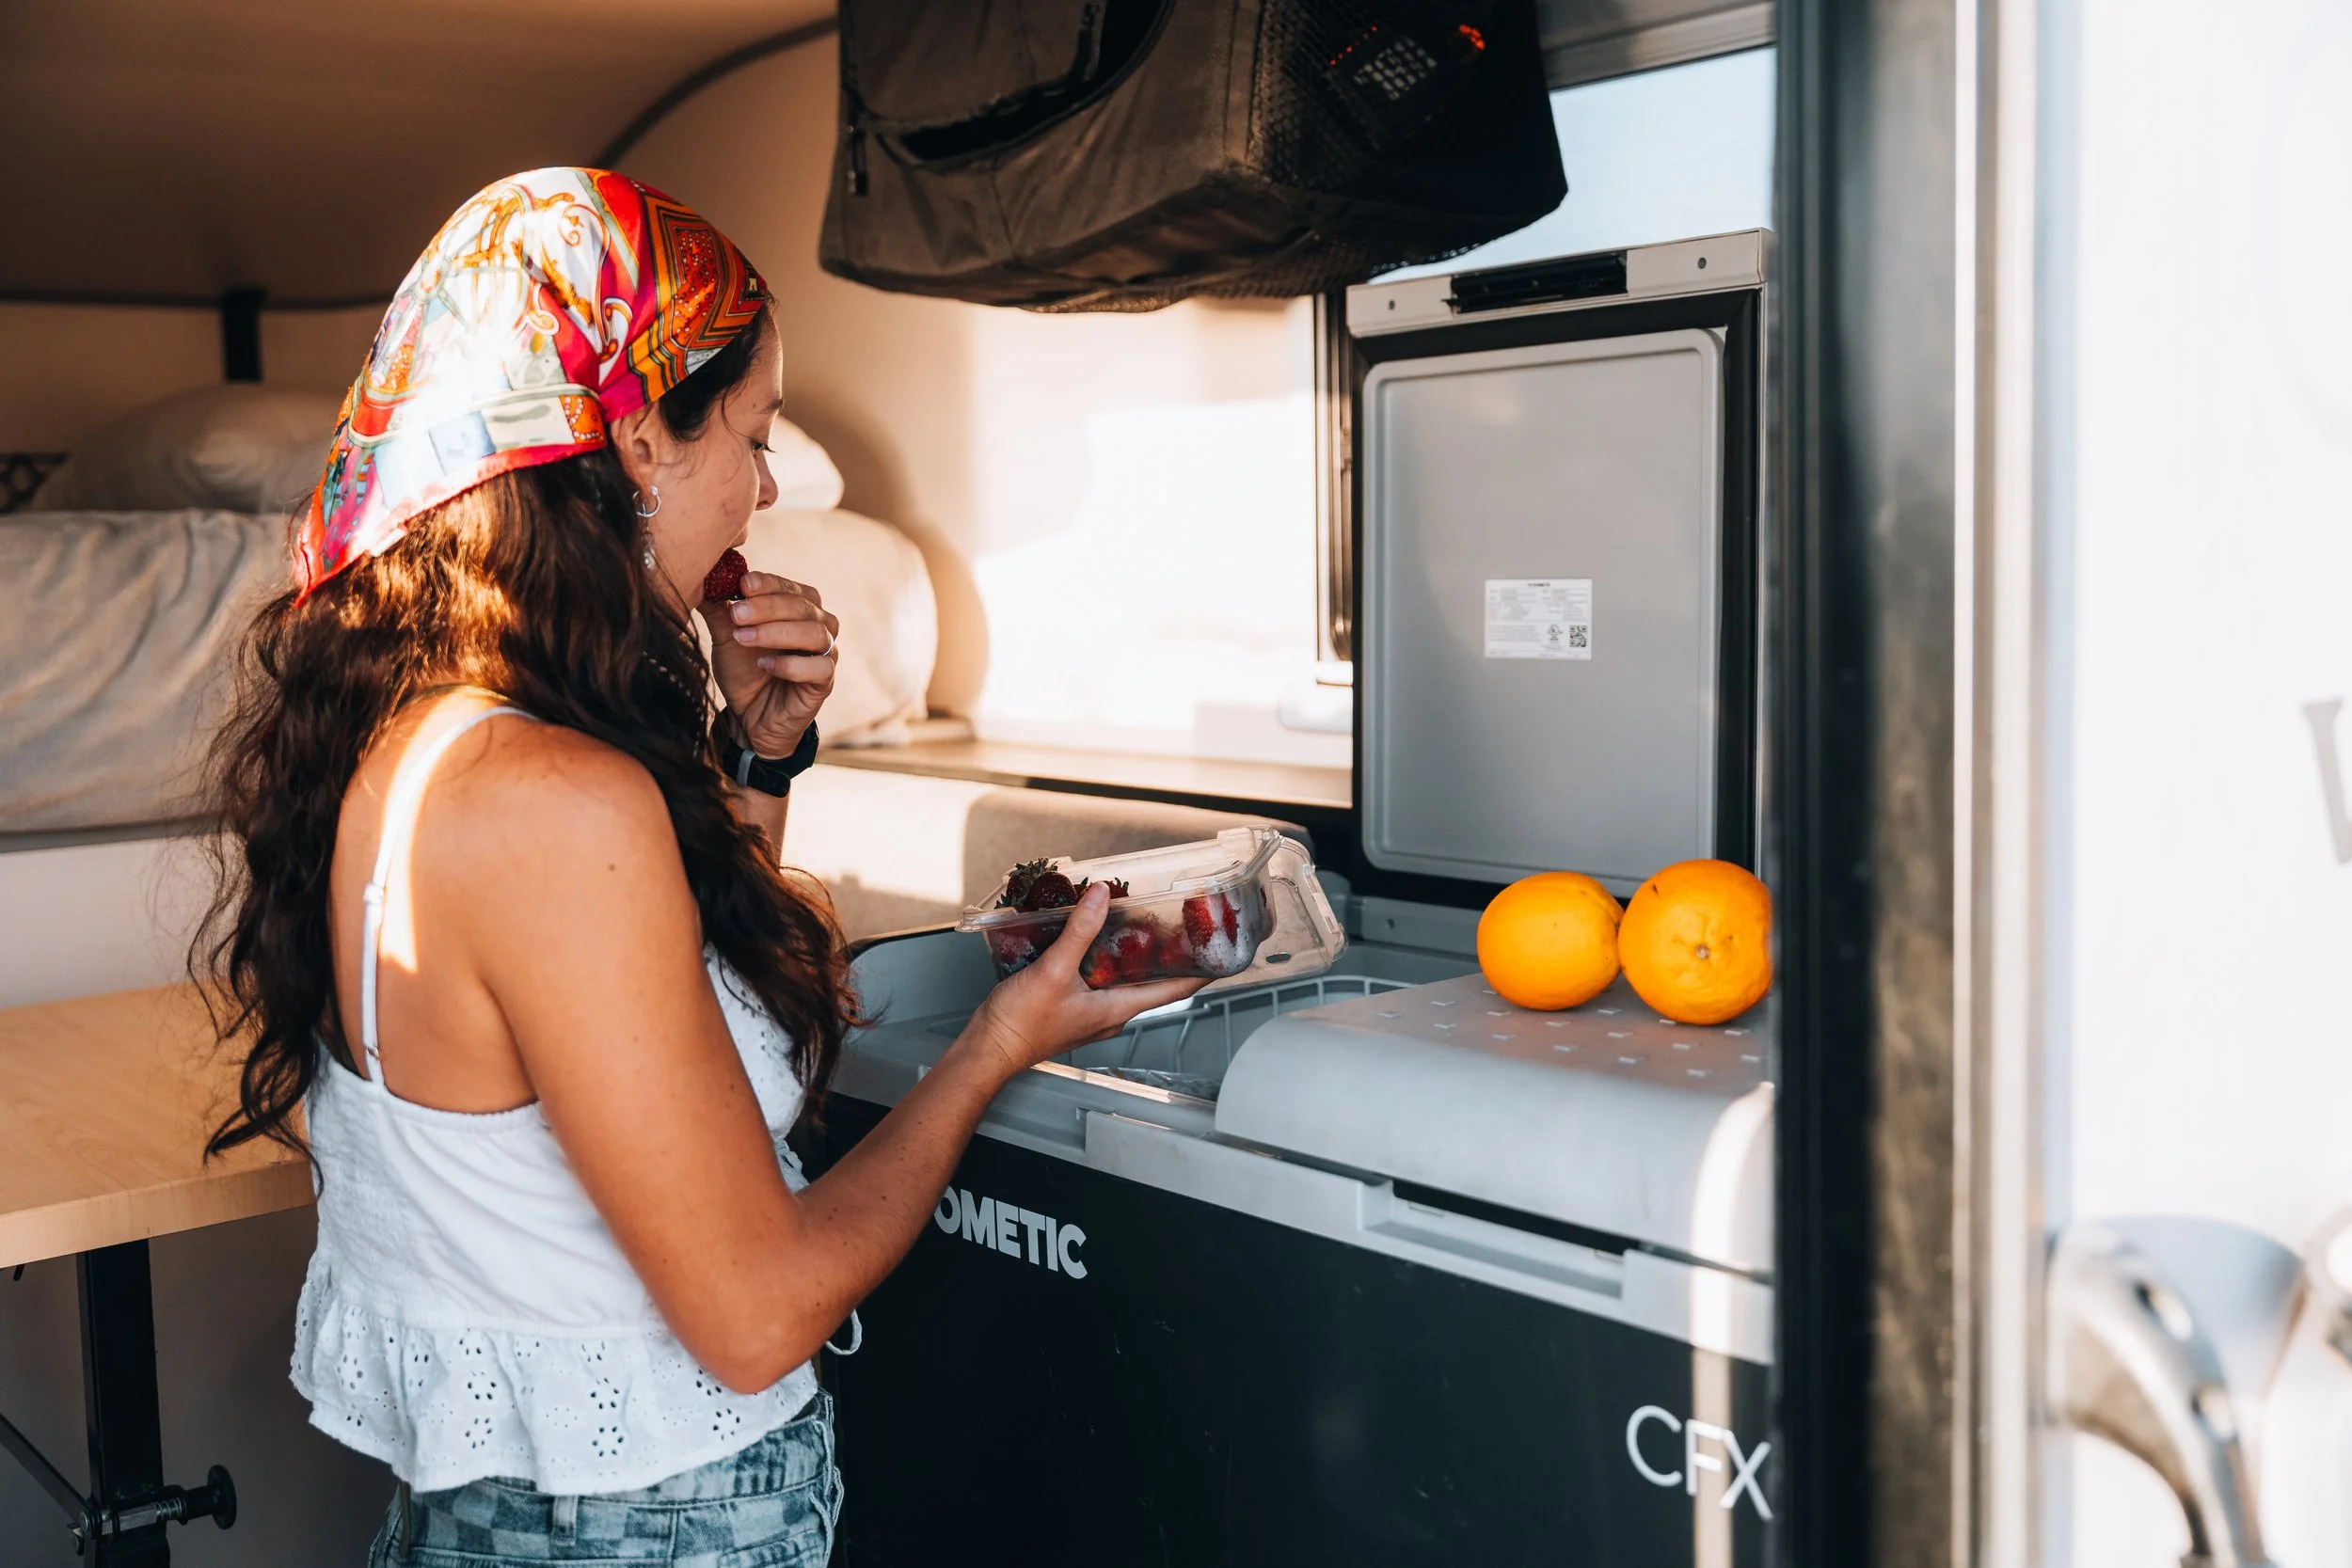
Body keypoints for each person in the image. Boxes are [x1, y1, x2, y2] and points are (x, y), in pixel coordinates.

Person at [195, 167, 1200, 1567]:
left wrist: (758, 752)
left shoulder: (407, 743)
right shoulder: (562, 802)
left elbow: (661, 1011)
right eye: (755, 432)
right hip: (653, 1532)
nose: (768, 486)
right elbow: (755, 1313)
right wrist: (996, 1047)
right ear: (636, 443)